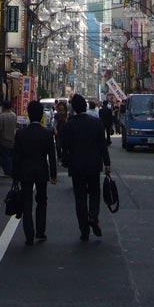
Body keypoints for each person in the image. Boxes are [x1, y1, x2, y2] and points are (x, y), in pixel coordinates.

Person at [61, 93, 111, 241]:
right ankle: (93, 216)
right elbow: (102, 145)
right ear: (85, 106)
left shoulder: (69, 125)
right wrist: (107, 163)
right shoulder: (96, 123)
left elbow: (64, 147)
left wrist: (66, 161)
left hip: (76, 165)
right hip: (94, 164)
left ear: (74, 108)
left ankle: (84, 230)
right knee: (95, 192)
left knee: (80, 197)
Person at [12, 100, 57, 246]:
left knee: (27, 203)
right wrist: (53, 174)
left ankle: (29, 235)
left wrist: (15, 176)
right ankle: (40, 231)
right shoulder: (47, 133)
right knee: (42, 200)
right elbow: (52, 156)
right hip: (42, 170)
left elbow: (16, 156)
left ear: (29, 114)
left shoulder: (21, 134)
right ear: (41, 115)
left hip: (25, 171)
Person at [0, 100, 17, 177]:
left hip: (4, 140)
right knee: (11, 156)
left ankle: (7, 172)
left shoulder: (2, 116)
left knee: (5, 156)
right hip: (13, 139)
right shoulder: (14, 115)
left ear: (3, 107)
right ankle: (11, 171)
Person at [52, 100, 70, 167]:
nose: (61, 107)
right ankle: (59, 158)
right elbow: (54, 123)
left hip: (66, 132)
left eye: (62, 105)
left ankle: (64, 159)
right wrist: (55, 130)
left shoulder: (67, 114)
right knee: (58, 146)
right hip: (59, 132)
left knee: (65, 146)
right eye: (60, 105)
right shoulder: (56, 115)